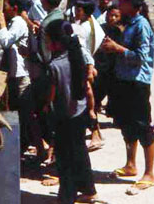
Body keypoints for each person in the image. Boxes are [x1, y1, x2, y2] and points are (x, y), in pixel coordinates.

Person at [101, 0, 154, 196]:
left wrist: (117, 48)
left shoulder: (141, 25)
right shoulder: (127, 23)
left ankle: (149, 173)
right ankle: (130, 164)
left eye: (121, 2)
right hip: (123, 80)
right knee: (126, 124)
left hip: (137, 83)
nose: (118, 5)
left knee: (143, 126)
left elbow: (140, 57)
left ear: (130, 4)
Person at [44, 19, 98, 204]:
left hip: (64, 117)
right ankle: (89, 190)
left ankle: (67, 198)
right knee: (79, 152)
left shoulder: (54, 66)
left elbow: (51, 97)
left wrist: (44, 110)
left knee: (65, 159)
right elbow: (87, 86)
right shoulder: (77, 57)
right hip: (79, 112)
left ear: (56, 42)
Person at [75, 0, 106, 152]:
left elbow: (84, 51)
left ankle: (96, 135)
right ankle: (96, 133)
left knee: (89, 104)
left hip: (87, 68)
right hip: (95, 65)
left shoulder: (81, 28)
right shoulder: (93, 22)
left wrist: (89, 66)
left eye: (78, 10)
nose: (75, 12)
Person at [0, 0, 29, 111]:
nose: (4, 11)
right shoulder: (13, 22)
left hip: (21, 74)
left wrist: (2, 24)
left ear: (14, 8)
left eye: (5, 7)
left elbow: (5, 41)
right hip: (15, 73)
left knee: (24, 108)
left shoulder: (18, 22)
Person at [94, 4, 123, 116]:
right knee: (97, 94)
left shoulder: (122, 31)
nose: (113, 18)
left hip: (115, 68)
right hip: (101, 67)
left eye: (116, 16)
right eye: (111, 15)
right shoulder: (100, 29)